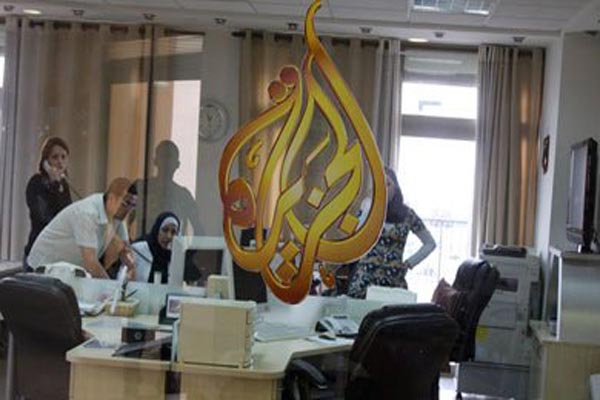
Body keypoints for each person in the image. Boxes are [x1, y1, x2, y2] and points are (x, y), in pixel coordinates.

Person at [347, 167, 436, 298]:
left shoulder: (407, 214)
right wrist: (367, 207)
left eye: (388, 184)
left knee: (393, 311)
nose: (384, 188)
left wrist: (409, 263)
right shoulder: (368, 209)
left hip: (393, 280)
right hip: (364, 279)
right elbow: (352, 237)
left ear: (396, 188)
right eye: (379, 185)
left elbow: (430, 243)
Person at [27, 177, 138, 279]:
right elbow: (91, 263)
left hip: (67, 272)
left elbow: (125, 250)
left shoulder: (117, 216)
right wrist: (111, 288)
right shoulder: (87, 213)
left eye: (133, 205)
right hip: (42, 269)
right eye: (126, 203)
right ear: (112, 198)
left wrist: (131, 266)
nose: (128, 210)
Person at [134, 140, 202, 237]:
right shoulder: (140, 188)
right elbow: (121, 220)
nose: (167, 162)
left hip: (172, 246)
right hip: (144, 245)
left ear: (177, 164)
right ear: (155, 161)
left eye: (170, 158)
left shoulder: (184, 196)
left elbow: (199, 230)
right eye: (164, 157)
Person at [24, 137, 72, 258]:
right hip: (38, 251)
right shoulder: (36, 182)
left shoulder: (63, 185)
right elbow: (43, 218)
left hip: (58, 252)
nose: (60, 162)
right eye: (55, 157)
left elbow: (68, 215)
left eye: (63, 157)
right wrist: (54, 184)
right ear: (45, 161)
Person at [129, 212, 180, 284]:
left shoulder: (177, 256)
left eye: (173, 232)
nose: (169, 236)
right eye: (165, 230)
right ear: (157, 230)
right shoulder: (138, 250)